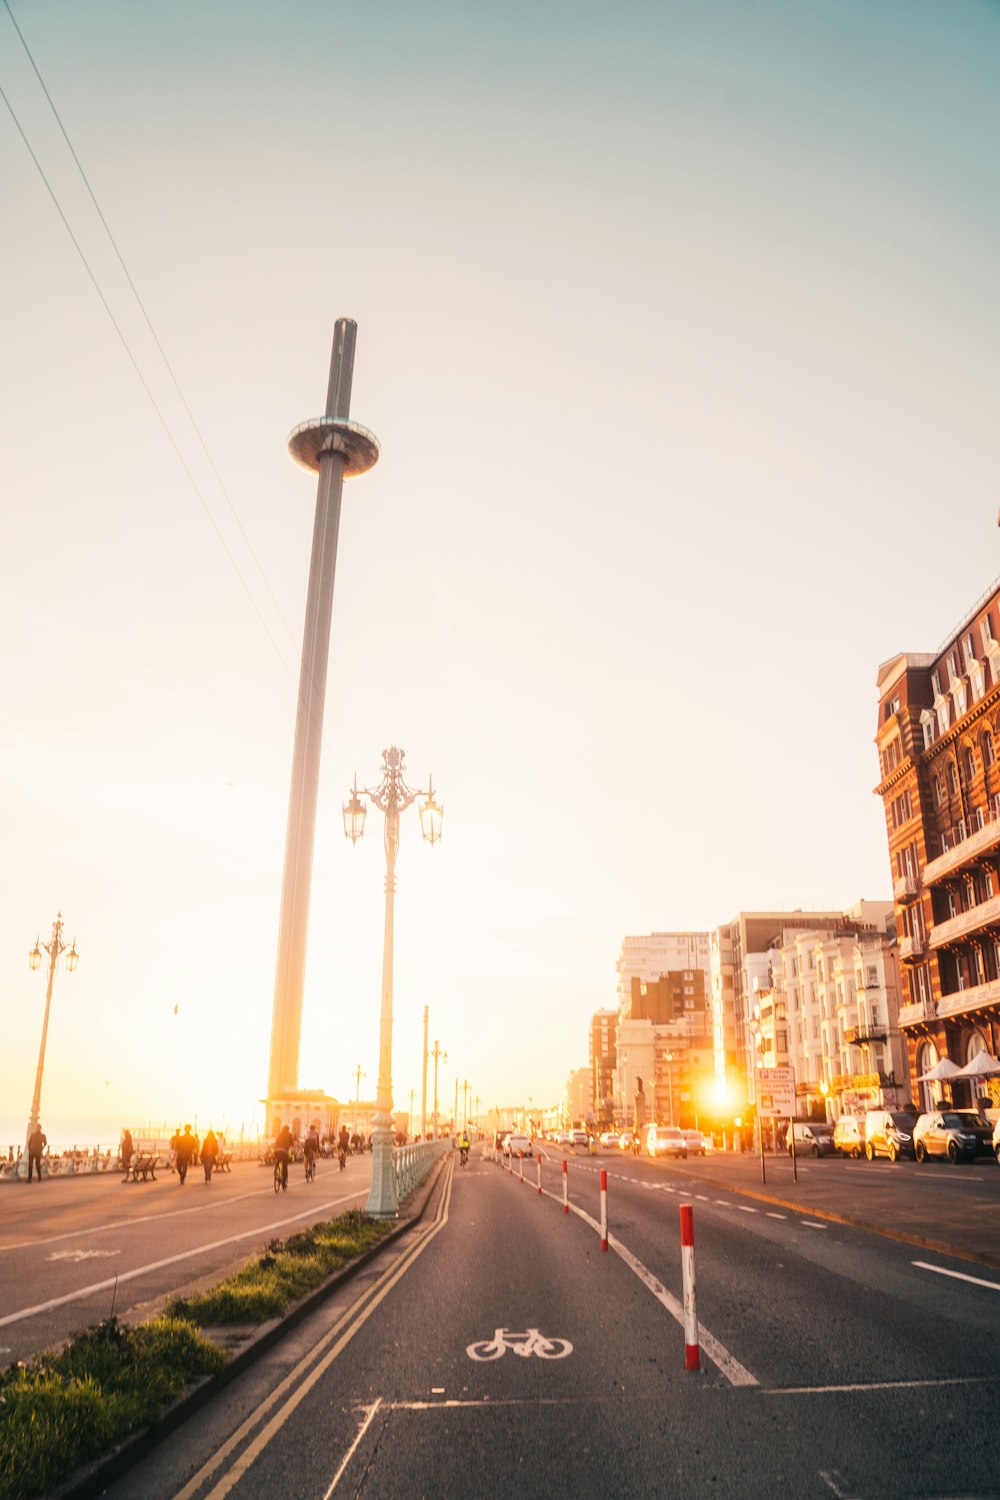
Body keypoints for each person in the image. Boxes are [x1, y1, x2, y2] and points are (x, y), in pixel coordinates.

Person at [273, 1121, 294, 1189]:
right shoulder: (289, 1134)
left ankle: (276, 1168)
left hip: (276, 1150)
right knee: (285, 1166)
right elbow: (291, 1143)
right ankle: (284, 1183)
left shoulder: (279, 1134)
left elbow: (276, 1142)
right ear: (288, 1129)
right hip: (284, 1151)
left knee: (278, 1159)